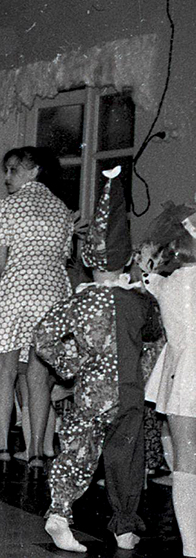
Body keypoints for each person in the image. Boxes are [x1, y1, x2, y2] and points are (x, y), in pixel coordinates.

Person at [34, 167, 161, 552]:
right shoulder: (139, 302)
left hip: (91, 393)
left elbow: (42, 336)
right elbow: (155, 331)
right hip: (129, 395)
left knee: (79, 452)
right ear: (125, 261)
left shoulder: (79, 299)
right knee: (126, 460)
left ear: (89, 261)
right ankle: (124, 526)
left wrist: (70, 362)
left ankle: (59, 513)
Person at [0, 147, 73, 468]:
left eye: (13, 170)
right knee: (38, 375)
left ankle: (3, 447)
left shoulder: (8, 206)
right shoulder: (62, 209)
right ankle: (36, 452)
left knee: (5, 371)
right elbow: (62, 258)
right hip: (52, 293)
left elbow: (2, 264)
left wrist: (11, 292)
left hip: (18, 290)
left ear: (34, 171)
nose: (7, 177)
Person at [138, 201, 196, 557]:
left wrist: (147, 263)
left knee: (186, 464)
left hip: (183, 376)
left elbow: (146, 277)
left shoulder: (166, 283)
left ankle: (192, 546)